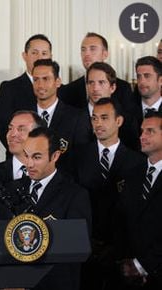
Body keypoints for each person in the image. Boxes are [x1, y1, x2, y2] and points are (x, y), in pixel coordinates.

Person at [0, 127, 92, 290]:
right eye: (26, 156)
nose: (29, 164)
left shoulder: (75, 196)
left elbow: (75, 249)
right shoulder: (10, 190)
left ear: (55, 156)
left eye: (37, 157)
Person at [74, 98, 145, 290]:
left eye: (104, 118)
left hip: (122, 253)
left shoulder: (137, 161)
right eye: (94, 118)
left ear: (119, 121)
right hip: (85, 249)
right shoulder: (77, 157)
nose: (98, 124)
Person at [115, 111, 162, 290]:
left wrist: (143, 265)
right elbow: (122, 219)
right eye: (142, 131)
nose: (142, 136)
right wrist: (126, 262)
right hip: (128, 275)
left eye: (150, 131)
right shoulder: (133, 173)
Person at [32, 59, 92, 174]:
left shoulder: (76, 118)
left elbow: (82, 160)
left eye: (46, 79)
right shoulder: (24, 116)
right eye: (36, 80)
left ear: (58, 82)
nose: (40, 85)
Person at [0, 34, 52, 150]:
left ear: (51, 57)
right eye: (34, 53)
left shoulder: (61, 89)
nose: (40, 58)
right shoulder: (9, 89)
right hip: (21, 160)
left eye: (44, 53)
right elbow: (4, 130)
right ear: (24, 56)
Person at [59, 32, 135, 112]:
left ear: (105, 54)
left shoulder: (123, 88)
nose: (86, 54)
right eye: (83, 50)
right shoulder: (69, 90)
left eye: (92, 49)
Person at [85, 62, 141, 150]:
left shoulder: (128, 121)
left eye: (101, 82)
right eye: (91, 82)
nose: (95, 88)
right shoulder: (73, 117)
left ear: (112, 88)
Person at [127, 56, 162, 125]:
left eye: (147, 76)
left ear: (160, 80)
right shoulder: (126, 110)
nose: (141, 81)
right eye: (139, 76)